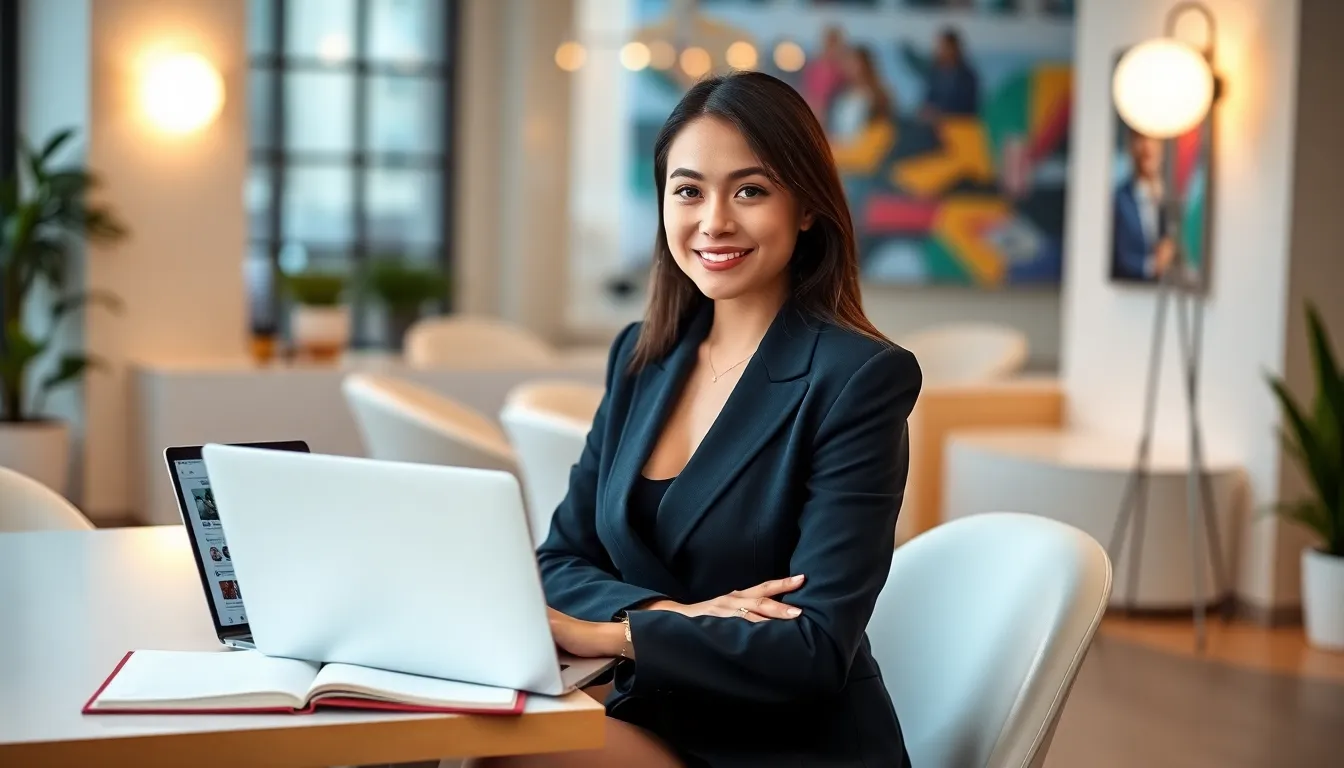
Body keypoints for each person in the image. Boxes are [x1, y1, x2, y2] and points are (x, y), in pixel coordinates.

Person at [475, 71, 921, 767]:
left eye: (750, 190)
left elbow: (814, 646)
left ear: (805, 207)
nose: (714, 221)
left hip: (783, 746)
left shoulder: (858, 378)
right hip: (654, 709)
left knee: (498, 751)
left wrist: (619, 635)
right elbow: (559, 561)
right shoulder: (642, 358)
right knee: (461, 729)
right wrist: (670, 618)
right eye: (688, 191)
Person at [1111, 128, 1175, 281]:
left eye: (1154, 140)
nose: (1148, 147)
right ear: (1131, 148)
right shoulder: (1120, 199)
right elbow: (1120, 258)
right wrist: (1153, 266)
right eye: (1141, 139)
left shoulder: (1170, 197)